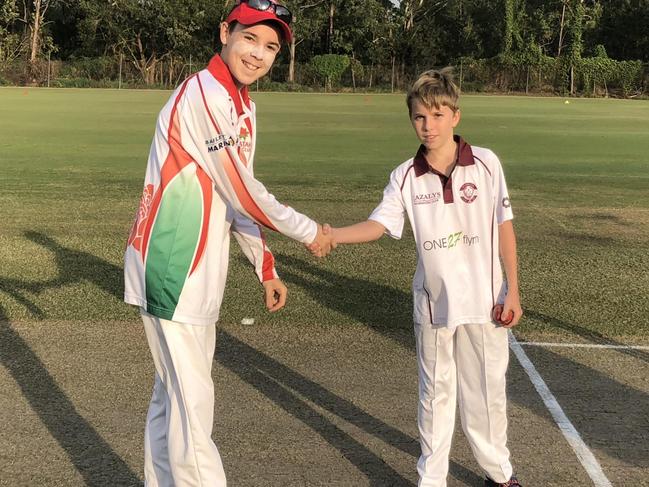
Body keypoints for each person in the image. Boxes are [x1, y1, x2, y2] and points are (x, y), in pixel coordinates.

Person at [123, 1, 333, 485]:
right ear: (225, 33)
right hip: (173, 268)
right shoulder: (204, 94)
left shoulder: (241, 105)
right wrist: (308, 231)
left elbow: (235, 196)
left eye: (271, 46)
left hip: (196, 273)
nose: (258, 53)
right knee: (192, 410)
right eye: (250, 38)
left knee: (173, 399)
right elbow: (243, 191)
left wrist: (265, 267)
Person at [317, 69, 523, 486]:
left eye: (437, 115)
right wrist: (333, 235)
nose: (429, 126)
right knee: (435, 397)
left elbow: (504, 226)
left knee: (486, 394)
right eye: (419, 117)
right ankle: (432, 478)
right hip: (433, 306)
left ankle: (499, 475)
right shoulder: (405, 176)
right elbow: (380, 224)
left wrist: (513, 289)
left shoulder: (486, 164)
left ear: (455, 116)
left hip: (487, 303)